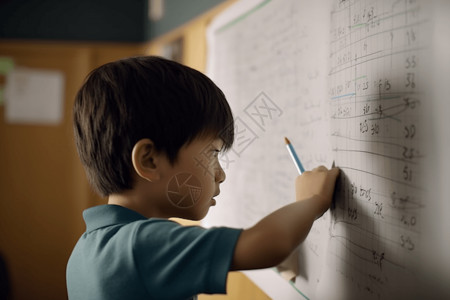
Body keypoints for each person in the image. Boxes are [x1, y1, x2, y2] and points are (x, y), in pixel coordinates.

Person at [66, 56, 339, 300]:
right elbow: (270, 244)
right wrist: (313, 200)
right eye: (213, 153)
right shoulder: (141, 245)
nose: (221, 173)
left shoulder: (86, 251)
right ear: (149, 160)